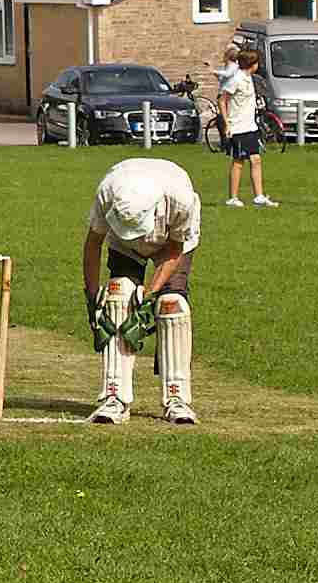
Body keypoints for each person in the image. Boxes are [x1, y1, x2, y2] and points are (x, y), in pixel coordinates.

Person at [80, 155, 204, 425]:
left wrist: (149, 296)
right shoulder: (109, 192)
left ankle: (177, 399)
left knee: (172, 305)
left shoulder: (180, 199)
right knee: (116, 295)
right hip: (123, 246)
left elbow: (174, 249)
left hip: (172, 238)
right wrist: (92, 299)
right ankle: (115, 397)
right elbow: (93, 245)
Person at [213, 42, 275, 209]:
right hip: (237, 127)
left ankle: (259, 196)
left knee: (256, 160)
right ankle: (233, 198)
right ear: (252, 65)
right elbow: (222, 100)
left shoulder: (248, 78)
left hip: (250, 127)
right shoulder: (236, 79)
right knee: (239, 161)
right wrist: (226, 124)